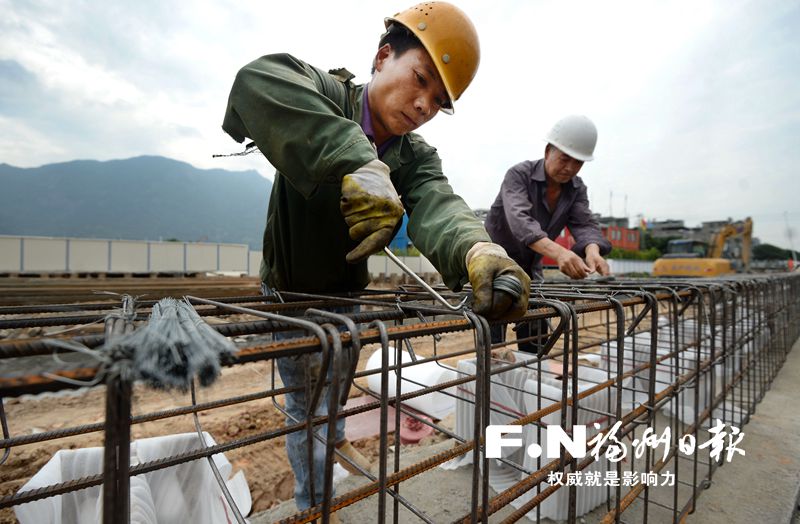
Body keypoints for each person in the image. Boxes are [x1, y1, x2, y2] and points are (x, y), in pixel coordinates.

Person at [221, 2, 530, 516]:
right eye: (420, 79)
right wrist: (356, 158)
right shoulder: (327, 95)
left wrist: (479, 249)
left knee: (335, 391)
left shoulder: (413, 156)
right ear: (383, 56)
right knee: (305, 410)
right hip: (291, 297)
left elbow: (438, 206)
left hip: (348, 297)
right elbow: (257, 81)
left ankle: (335, 437)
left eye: (437, 99)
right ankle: (313, 507)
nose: (423, 104)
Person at [484, 115, 611, 353]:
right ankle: (491, 378)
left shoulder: (576, 188)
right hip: (496, 264)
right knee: (494, 339)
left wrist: (592, 251)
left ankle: (530, 374)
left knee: (536, 333)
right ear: (548, 151)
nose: (570, 168)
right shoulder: (518, 175)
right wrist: (560, 253)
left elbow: (584, 223)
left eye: (578, 163)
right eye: (565, 159)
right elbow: (521, 221)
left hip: (531, 267)